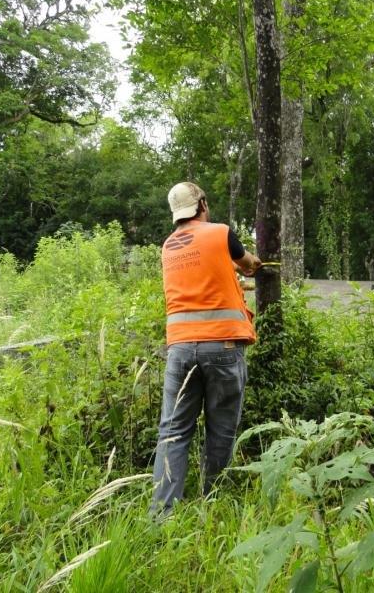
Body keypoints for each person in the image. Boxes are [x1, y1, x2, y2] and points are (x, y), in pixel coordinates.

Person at [151, 182, 261, 514]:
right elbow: (248, 263)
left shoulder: (168, 247)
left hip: (180, 350)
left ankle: (162, 515)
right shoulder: (220, 234)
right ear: (203, 204)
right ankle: (210, 501)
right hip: (224, 346)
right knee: (222, 429)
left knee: (172, 432)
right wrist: (254, 265)